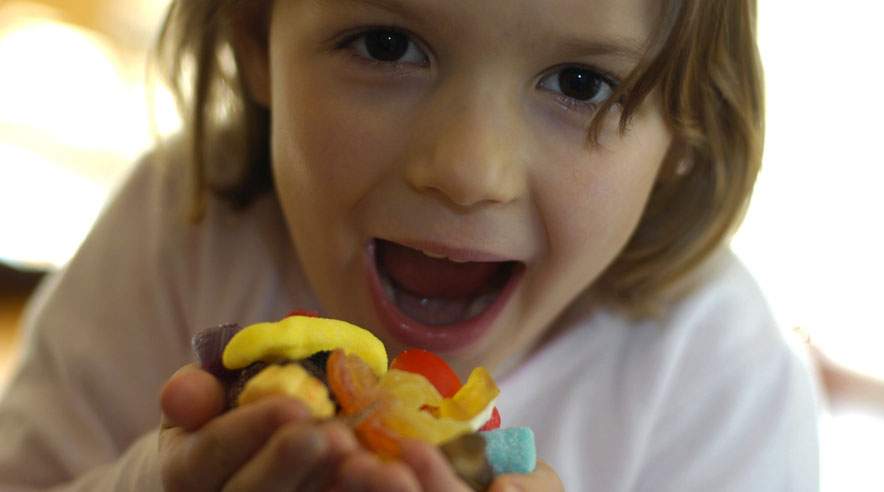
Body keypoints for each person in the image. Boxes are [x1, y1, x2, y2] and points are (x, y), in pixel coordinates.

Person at [0, 0, 819, 490]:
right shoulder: (183, 228)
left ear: (686, 130)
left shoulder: (717, 373)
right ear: (257, 41)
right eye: (386, 44)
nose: (468, 170)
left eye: (581, 83)